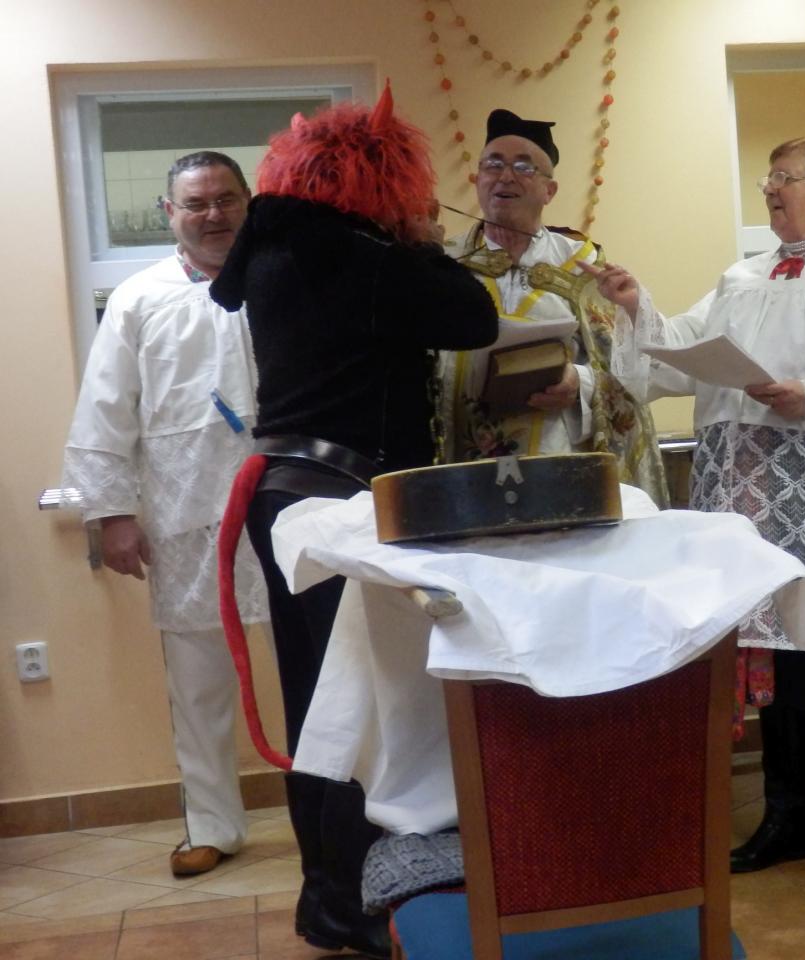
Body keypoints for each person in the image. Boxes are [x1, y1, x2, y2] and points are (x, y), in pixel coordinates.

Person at [587, 137, 805, 881]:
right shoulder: (742, 276)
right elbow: (678, 349)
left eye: (786, 178)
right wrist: (635, 305)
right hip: (755, 495)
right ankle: (790, 816)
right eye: (768, 178)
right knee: (779, 658)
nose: (771, 189)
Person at [211, 85, 498, 959]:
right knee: (360, 707)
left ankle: (326, 896)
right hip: (340, 500)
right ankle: (354, 899)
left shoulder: (277, 248)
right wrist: (421, 241)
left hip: (286, 490)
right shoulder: (359, 257)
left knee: (319, 703)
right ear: (382, 184)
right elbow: (473, 315)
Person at [63, 151, 269, 877]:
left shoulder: (281, 279)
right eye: (196, 203)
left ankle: (338, 821)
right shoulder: (138, 298)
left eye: (226, 199)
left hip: (285, 505)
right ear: (169, 213)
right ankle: (213, 824)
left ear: (248, 201)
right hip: (187, 515)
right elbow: (105, 409)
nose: (213, 214)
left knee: (324, 670)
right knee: (198, 685)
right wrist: (112, 512)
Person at [439, 108, 667, 503]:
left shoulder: (582, 267)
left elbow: (628, 377)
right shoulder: (444, 265)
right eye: (493, 164)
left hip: (559, 467)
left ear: (550, 190)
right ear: (477, 179)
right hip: (462, 473)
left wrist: (580, 385)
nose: (505, 176)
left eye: (524, 167)